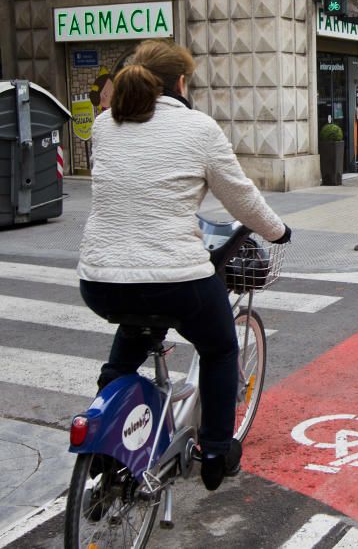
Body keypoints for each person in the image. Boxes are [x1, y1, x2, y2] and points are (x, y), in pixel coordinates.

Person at [76, 39, 290, 491]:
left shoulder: (102, 126)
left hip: (100, 280)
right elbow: (242, 197)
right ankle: (215, 451)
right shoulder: (198, 128)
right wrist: (277, 231)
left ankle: (101, 439)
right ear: (180, 82)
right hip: (176, 279)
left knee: (135, 328)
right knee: (218, 349)